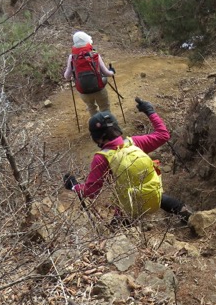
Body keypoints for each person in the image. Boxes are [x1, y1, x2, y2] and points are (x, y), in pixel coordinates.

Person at [63, 97, 193, 222]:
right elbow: (163, 135)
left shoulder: (101, 158)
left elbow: (91, 192)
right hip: (154, 195)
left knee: (117, 227)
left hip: (130, 206)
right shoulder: (134, 143)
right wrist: (150, 112)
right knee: (153, 195)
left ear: (96, 137)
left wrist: (74, 186)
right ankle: (186, 214)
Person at [64, 31, 115, 117]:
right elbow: (106, 73)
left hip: (84, 91)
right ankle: (108, 126)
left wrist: (73, 77)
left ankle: (97, 126)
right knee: (105, 107)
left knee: (91, 108)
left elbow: (67, 76)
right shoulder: (94, 54)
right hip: (99, 88)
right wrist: (112, 72)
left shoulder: (72, 57)